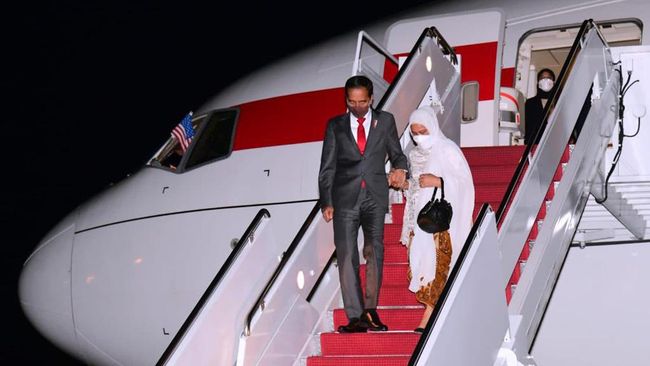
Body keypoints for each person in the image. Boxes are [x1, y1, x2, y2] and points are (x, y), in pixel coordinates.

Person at [318, 75, 408, 333]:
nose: (356, 107)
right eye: (351, 102)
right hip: (345, 198)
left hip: (375, 197)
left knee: (373, 251)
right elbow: (327, 167)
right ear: (346, 99)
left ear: (371, 99)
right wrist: (326, 200)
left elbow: (397, 154)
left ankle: (370, 311)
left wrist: (401, 168)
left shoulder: (386, 121)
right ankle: (355, 316)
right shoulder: (335, 125)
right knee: (346, 255)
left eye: (362, 102)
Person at [398, 106, 474, 332]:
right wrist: (406, 185)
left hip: (442, 222)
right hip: (420, 219)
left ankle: (429, 315)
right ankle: (432, 311)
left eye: (424, 131)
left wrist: (439, 181)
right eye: (415, 133)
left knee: (438, 265)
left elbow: (464, 183)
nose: (419, 137)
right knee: (420, 264)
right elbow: (418, 188)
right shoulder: (415, 154)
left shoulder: (448, 149)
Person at [525, 68, 556, 145]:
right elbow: (528, 128)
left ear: (553, 82)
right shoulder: (530, 103)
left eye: (549, 78)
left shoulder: (559, 102)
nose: (546, 80)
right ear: (538, 83)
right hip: (536, 145)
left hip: (557, 143)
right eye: (542, 78)